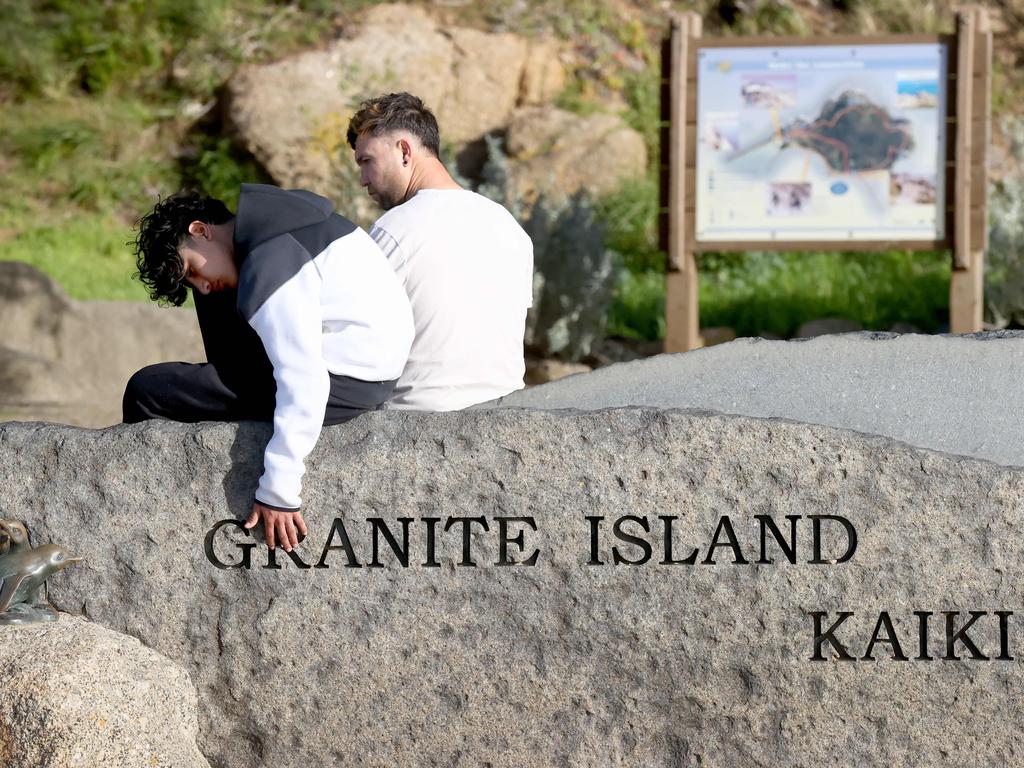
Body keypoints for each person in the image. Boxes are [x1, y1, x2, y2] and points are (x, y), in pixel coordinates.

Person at [123, 184, 414, 552]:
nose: (203, 285)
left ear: (200, 229)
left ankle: (140, 519)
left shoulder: (269, 259)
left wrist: (279, 489)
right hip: (368, 370)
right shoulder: (282, 223)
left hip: (342, 380)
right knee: (217, 289)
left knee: (147, 389)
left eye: (192, 269)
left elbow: (305, 380)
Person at [347, 92, 534, 411]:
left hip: (417, 420)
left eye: (367, 161)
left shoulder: (395, 229)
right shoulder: (508, 225)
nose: (363, 179)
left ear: (404, 150)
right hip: (505, 414)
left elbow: (356, 340)